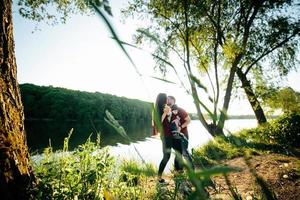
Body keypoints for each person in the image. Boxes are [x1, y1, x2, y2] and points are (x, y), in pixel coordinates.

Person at [152, 93, 183, 183]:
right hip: (165, 136)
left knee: (178, 151)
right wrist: (165, 113)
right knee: (166, 157)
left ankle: (178, 172)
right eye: (166, 98)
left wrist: (172, 109)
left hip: (171, 135)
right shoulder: (158, 109)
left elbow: (172, 116)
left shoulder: (165, 107)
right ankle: (159, 177)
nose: (167, 100)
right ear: (163, 99)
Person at [168, 96, 195, 170]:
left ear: (174, 101)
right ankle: (179, 171)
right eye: (167, 100)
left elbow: (188, 120)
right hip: (173, 137)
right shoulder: (167, 112)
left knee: (185, 152)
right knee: (177, 153)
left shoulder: (180, 110)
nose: (168, 101)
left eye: (170, 100)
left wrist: (180, 127)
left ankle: (192, 170)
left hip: (183, 135)